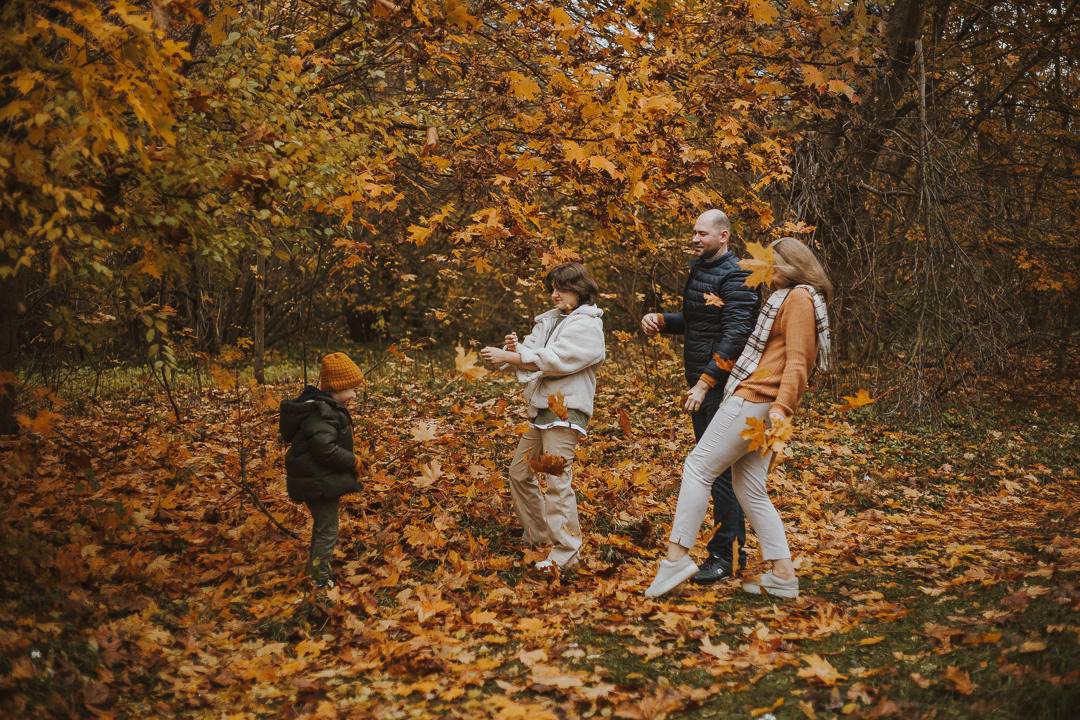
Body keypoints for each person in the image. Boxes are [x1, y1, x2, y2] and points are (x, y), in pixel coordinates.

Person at [644, 237, 832, 599]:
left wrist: (781, 408)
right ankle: (782, 574)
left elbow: (798, 362)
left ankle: (675, 559)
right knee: (750, 489)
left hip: (758, 399)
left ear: (791, 266)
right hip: (760, 398)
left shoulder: (799, 299)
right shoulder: (784, 299)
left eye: (771, 265)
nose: (765, 272)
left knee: (698, 467)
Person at [640, 209, 760, 584]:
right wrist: (663, 320)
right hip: (702, 384)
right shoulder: (701, 269)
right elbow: (699, 324)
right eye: (693, 232)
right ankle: (728, 553)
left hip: (725, 388)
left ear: (723, 236)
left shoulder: (738, 274)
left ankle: (726, 556)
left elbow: (736, 335)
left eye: (702, 233)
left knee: (719, 472)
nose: (694, 238)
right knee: (717, 472)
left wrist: (706, 383)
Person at [481, 262, 606, 570]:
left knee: (557, 481)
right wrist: (517, 348)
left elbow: (553, 360)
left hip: (564, 412)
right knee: (520, 473)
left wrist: (513, 356)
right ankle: (540, 538)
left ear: (578, 290)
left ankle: (566, 554)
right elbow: (532, 353)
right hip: (541, 411)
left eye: (559, 288)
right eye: (551, 288)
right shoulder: (549, 321)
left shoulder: (588, 326)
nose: (553, 294)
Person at [280, 352, 366, 588]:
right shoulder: (323, 414)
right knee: (328, 529)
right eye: (353, 387)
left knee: (322, 526)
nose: (356, 392)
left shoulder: (323, 409)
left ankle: (316, 569)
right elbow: (325, 450)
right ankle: (319, 580)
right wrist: (352, 461)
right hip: (317, 481)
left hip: (317, 478)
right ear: (338, 388)